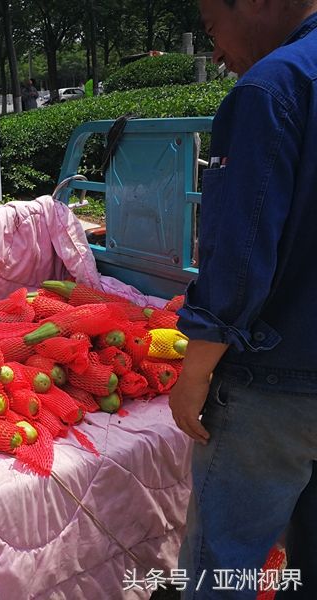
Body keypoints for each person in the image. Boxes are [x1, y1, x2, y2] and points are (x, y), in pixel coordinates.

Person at [169, 1, 317, 598]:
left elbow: (238, 257)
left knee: (221, 566)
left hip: (276, 385)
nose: (218, 54)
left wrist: (194, 373)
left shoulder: (271, 89)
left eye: (212, 29)